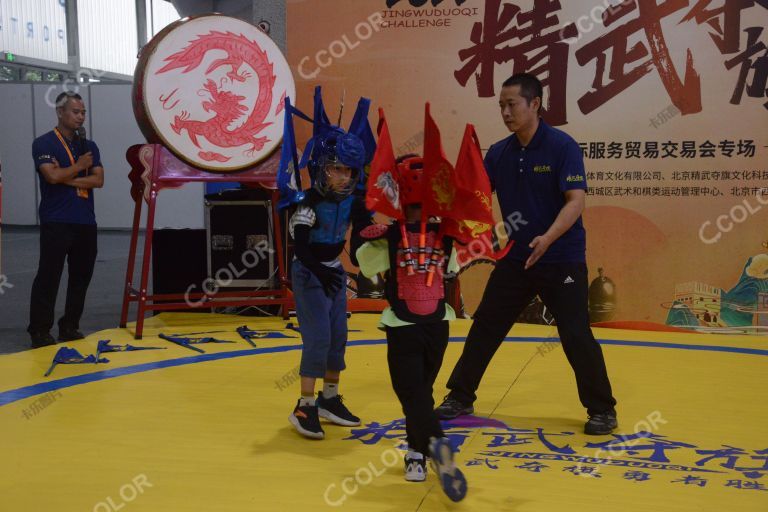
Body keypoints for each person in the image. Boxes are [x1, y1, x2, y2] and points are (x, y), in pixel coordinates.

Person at [435, 73, 618, 435]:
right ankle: (460, 395)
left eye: (512, 104)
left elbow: (575, 201)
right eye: (501, 105)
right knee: (486, 324)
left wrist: (548, 237)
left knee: (575, 333)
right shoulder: (500, 153)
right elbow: (476, 201)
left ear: (535, 103)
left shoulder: (561, 147)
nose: (505, 112)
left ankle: (602, 409)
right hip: (517, 259)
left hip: (560, 257)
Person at [357, 155, 467, 502]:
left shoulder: (387, 238)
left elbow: (361, 261)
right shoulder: (445, 235)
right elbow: (455, 265)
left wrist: (366, 220)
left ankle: (431, 444)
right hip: (438, 327)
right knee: (422, 392)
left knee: (413, 393)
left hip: (406, 326)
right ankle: (416, 453)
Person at [287, 128, 372, 440]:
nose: (344, 177)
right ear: (321, 168)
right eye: (337, 168)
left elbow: (364, 232)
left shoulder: (352, 202)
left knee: (338, 336)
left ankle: (329, 399)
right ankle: (304, 406)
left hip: (333, 271)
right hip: (309, 274)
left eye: (349, 170)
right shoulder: (307, 202)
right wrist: (319, 272)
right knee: (319, 338)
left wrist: (372, 235)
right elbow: (302, 247)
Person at [28, 91, 104, 348]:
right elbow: (50, 176)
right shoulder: (44, 143)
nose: (81, 117)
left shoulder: (89, 146)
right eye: (75, 112)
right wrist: (78, 166)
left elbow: (98, 180)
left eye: (83, 112)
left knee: (81, 276)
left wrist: (66, 177)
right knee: (49, 275)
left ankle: (70, 326)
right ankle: (39, 330)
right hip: (56, 220)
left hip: (85, 221)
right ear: (60, 112)